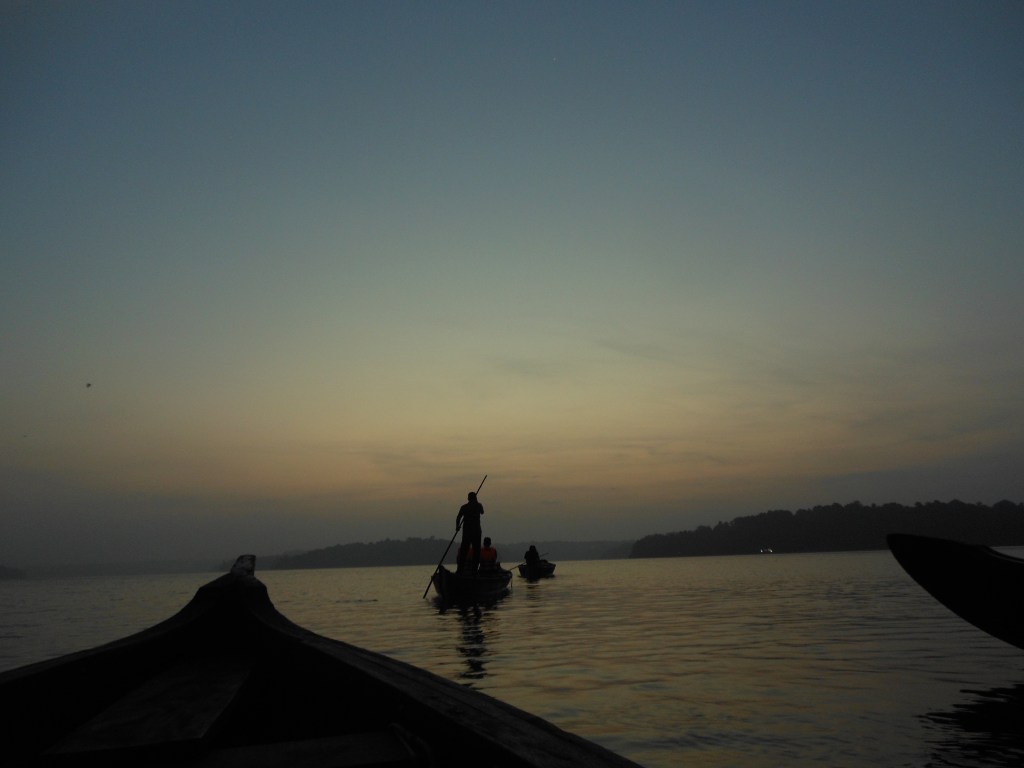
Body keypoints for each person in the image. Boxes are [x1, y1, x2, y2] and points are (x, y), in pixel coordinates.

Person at [455, 490, 484, 573]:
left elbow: (458, 517)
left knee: (464, 551)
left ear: (468, 498)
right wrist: (476, 503)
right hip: (476, 532)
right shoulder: (478, 505)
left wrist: (457, 526)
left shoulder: (464, 507)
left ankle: (460, 570)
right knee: (476, 552)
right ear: (475, 498)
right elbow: (482, 512)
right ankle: (474, 571)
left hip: (468, 532)